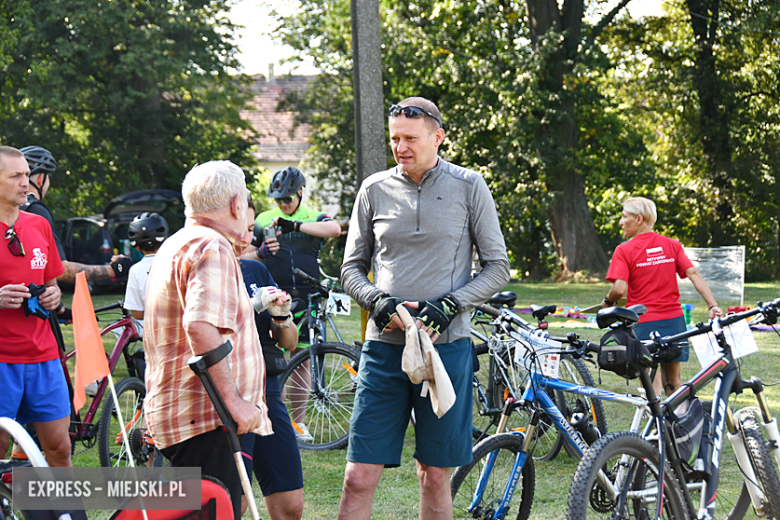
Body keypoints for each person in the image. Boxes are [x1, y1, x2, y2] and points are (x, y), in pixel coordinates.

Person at [338, 97, 510, 519]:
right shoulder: (373, 189)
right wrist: (377, 300)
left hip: (446, 350)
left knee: (434, 474)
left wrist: (450, 305)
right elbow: (350, 269)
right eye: (395, 138)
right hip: (384, 348)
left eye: (410, 138)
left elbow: (498, 268)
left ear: (438, 137)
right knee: (358, 475)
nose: (401, 147)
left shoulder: (469, 186)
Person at [143, 160, 272, 520]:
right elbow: (200, 325)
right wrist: (235, 402)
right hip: (205, 419)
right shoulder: (211, 245)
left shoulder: (179, 241)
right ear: (235, 204)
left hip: (187, 416)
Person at [244, 166, 341, 441]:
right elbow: (243, 252)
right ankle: (275, 419)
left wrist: (295, 226)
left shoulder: (312, 215)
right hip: (273, 294)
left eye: (287, 198)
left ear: (299, 193)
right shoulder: (263, 219)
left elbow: (334, 229)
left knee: (299, 359)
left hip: (306, 295)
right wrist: (261, 251)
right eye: (278, 200)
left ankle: (298, 424)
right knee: (277, 359)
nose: (283, 204)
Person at [602, 196, 723, 396]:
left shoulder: (624, 250)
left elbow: (619, 289)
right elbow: (693, 273)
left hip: (643, 323)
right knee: (674, 382)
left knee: (651, 386)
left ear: (639, 219)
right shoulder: (672, 245)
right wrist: (712, 306)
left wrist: (608, 302)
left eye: (624, 217)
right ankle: (678, 426)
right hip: (674, 321)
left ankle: (657, 427)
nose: (621, 222)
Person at [0, 146, 71, 468]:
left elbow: (52, 283)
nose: (25, 183)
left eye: (27, 175)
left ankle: (68, 515)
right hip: (2, 359)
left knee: (59, 448)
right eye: (15, 176)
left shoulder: (37, 224)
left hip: (44, 356)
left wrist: (54, 297)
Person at [238, 195, 304, 520]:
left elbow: (290, 343)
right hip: (227, 396)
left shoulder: (255, 269)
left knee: (291, 504)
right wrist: (251, 306)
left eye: (251, 228)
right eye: (242, 227)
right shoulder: (198, 269)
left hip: (268, 390)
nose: (248, 237)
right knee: (231, 503)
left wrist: (281, 316)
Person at [20, 146, 132, 292]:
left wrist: (61, 309)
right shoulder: (36, 210)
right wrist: (113, 270)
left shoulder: (10, 210)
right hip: (30, 305)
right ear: (41, 179)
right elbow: (60, 269)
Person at [122, 211, 169, 335]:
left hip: (156, 335)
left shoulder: (135, 270)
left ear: (136, 246)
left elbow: (137, 313)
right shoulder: (177, 262)